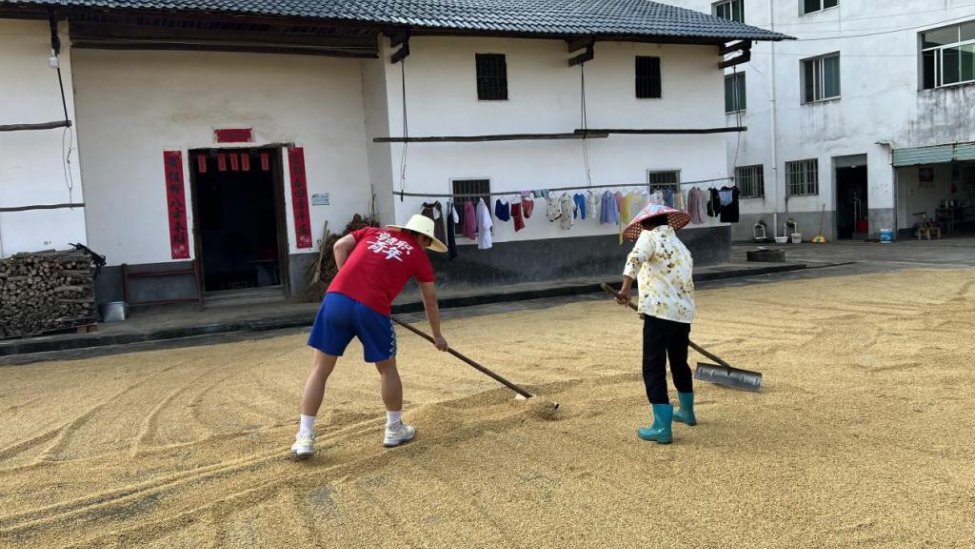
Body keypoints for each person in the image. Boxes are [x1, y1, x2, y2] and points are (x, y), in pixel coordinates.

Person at [292, 215, 450, 459]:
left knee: (319, 370)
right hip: (373, 309)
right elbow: (430, 299)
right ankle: (394, 429)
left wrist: (349, 280)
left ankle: (304, 437)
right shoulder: (418, 256)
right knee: (387, 369)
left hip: (336, 299)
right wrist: (437, 335)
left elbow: (338, 246)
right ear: (422, 237)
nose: (425, 247)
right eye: (427, 242)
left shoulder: (371, 232)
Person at [615, 203, 696, 444]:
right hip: (682, 314)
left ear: (647, 224)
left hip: (659, 313)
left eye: (642, 226)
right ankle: (687, 412)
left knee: (653, 365)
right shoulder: (681, 246)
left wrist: (625, 290)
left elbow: (634, 260)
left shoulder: (648, 237)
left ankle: (662, 427)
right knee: (679, 362)